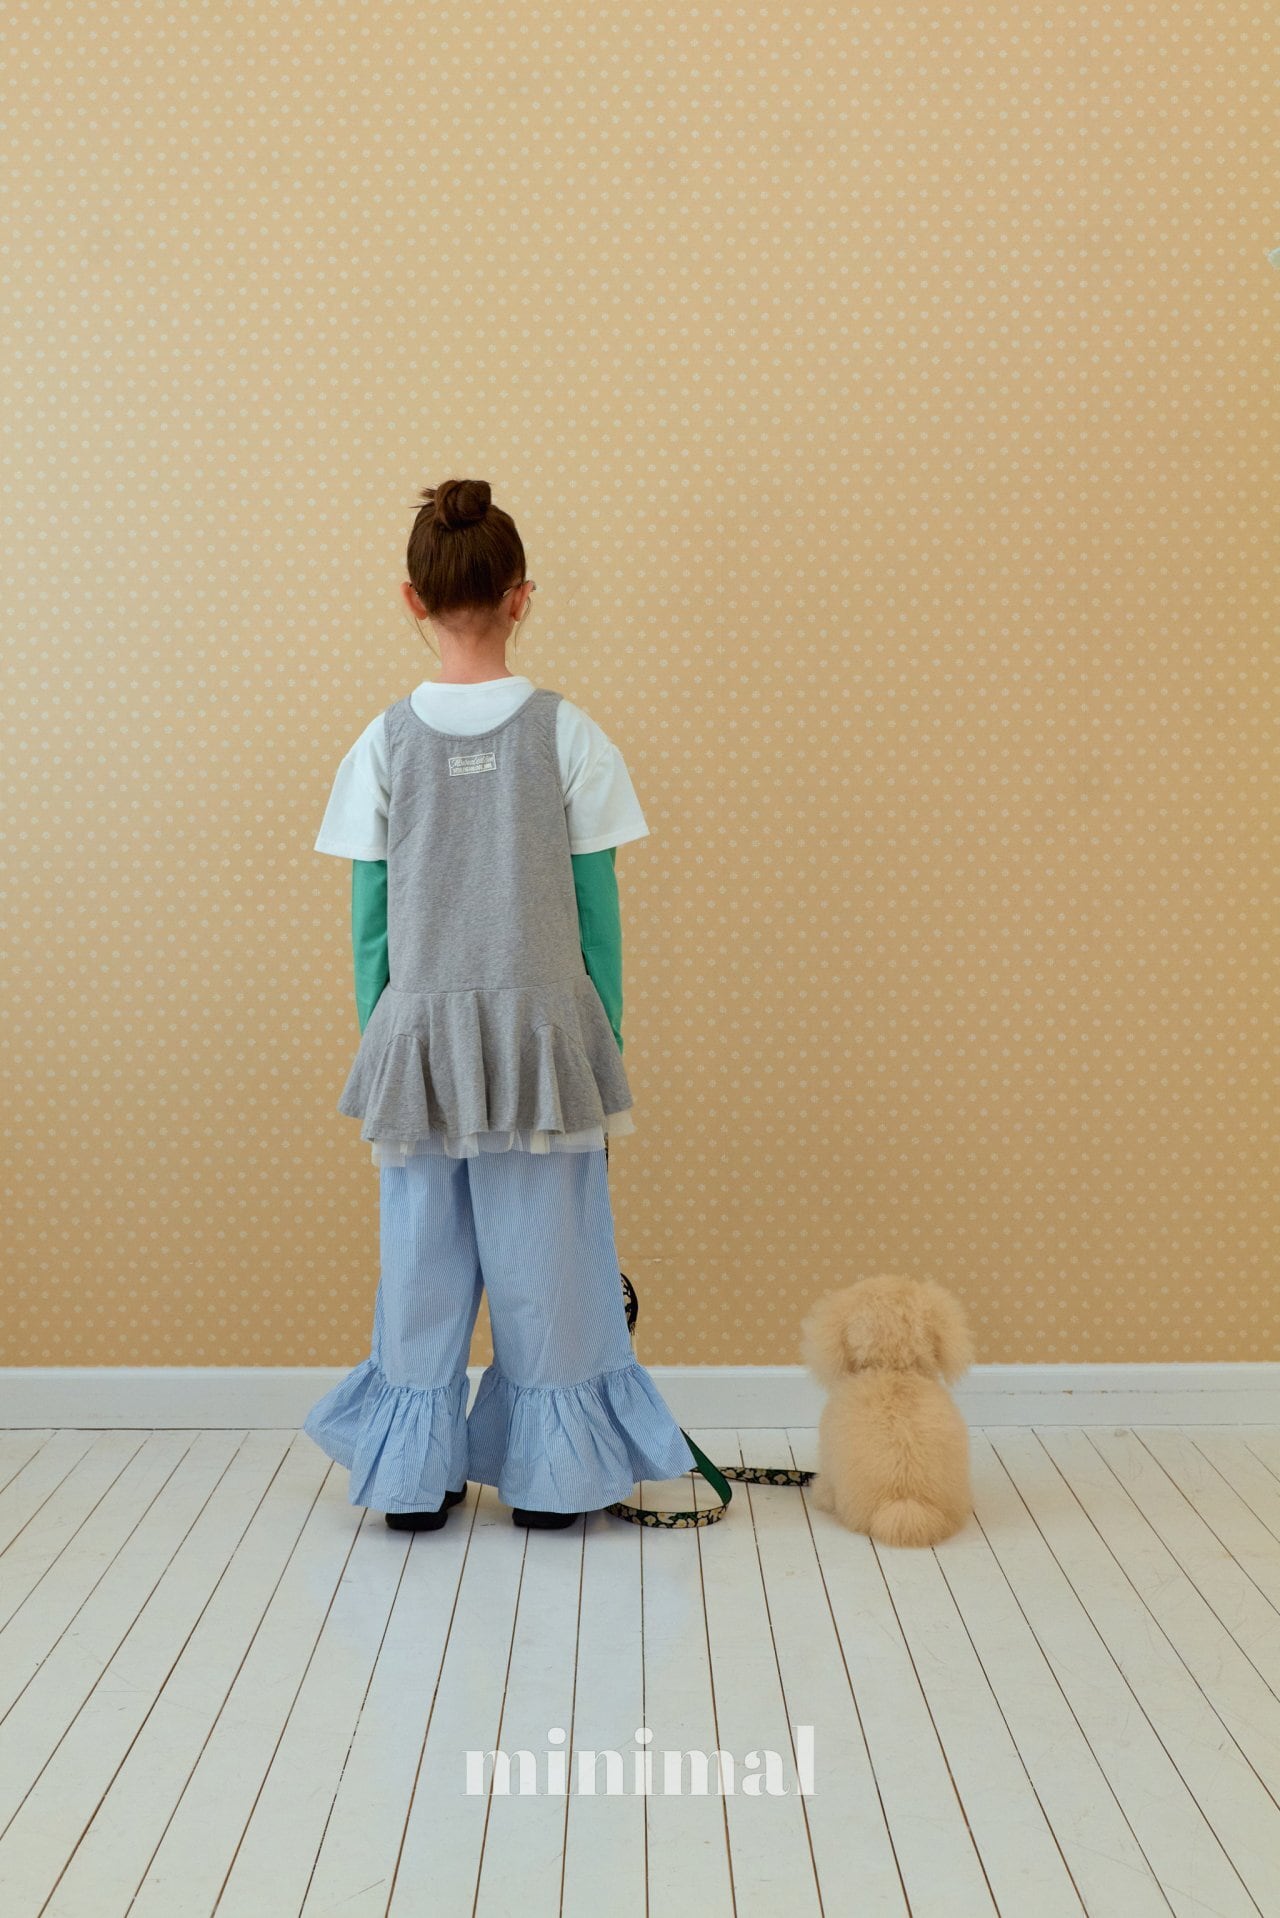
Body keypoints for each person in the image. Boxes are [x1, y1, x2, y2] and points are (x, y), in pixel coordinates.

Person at [302, 476, 697, 1533]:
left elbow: (371, 922)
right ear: (521, 597)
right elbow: (595, 907)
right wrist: (601, 1034)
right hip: (544, 1040)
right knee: (550, 1262)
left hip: (419, 1040)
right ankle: (552, 1483)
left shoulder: (381, 741)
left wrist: (386, 1035)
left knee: (418, 1267)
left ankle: (414, 1482)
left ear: (411, 599)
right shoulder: (569, 734)